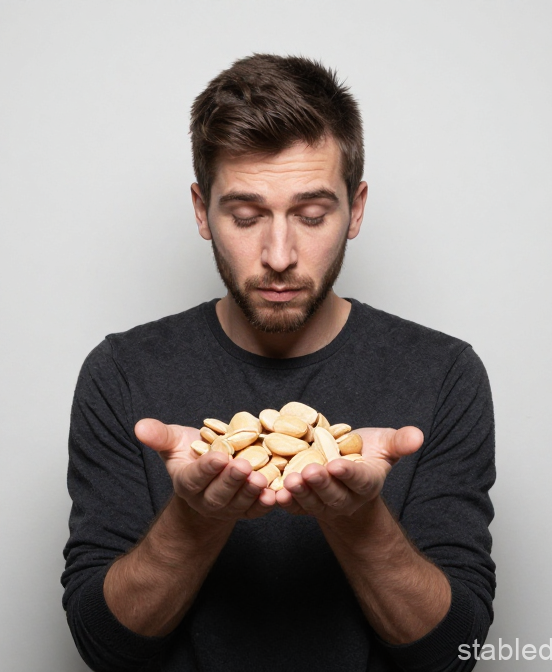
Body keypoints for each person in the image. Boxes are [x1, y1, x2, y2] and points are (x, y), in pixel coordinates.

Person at [62, 54, 496, 672]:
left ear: (358, 208)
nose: (279, 254)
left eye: (313, 215)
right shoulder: (121, 372)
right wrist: (194, 519)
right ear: (200, 210)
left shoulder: (445, 374)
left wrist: (358, 521)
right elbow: (107, 648)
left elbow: (453, 653)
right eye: (245, 216)